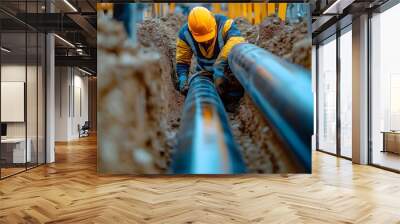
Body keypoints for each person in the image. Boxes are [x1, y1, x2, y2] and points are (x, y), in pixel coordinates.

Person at [175, 6, 245, 110]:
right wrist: (182, 78)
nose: (206, 41)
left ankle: (233, 101)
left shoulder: (225, 24)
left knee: (233, 88)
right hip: (204, 73)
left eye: (208, 37)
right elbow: (182, 61)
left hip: (227, 73)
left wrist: (220, 64)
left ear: (213, 23)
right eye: (202, 38)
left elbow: (237, 40)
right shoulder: (185, 34)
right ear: (191, 30)